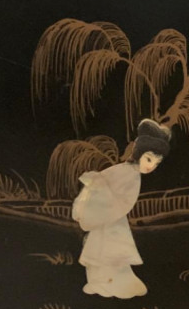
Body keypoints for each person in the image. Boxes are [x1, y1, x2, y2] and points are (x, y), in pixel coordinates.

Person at [72, 119, 171, 298]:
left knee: (111, 255)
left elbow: (125, 202)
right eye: (149, 159)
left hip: (114, 220)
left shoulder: (134, 177)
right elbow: (97, 181)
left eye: (156, 163)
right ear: (139, 153)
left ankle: (110, 285)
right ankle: (97, 283)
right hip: (107, 218)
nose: (151, 166)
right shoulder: (125, 170)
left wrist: (103, 195)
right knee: (100, 252)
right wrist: (91, 195)